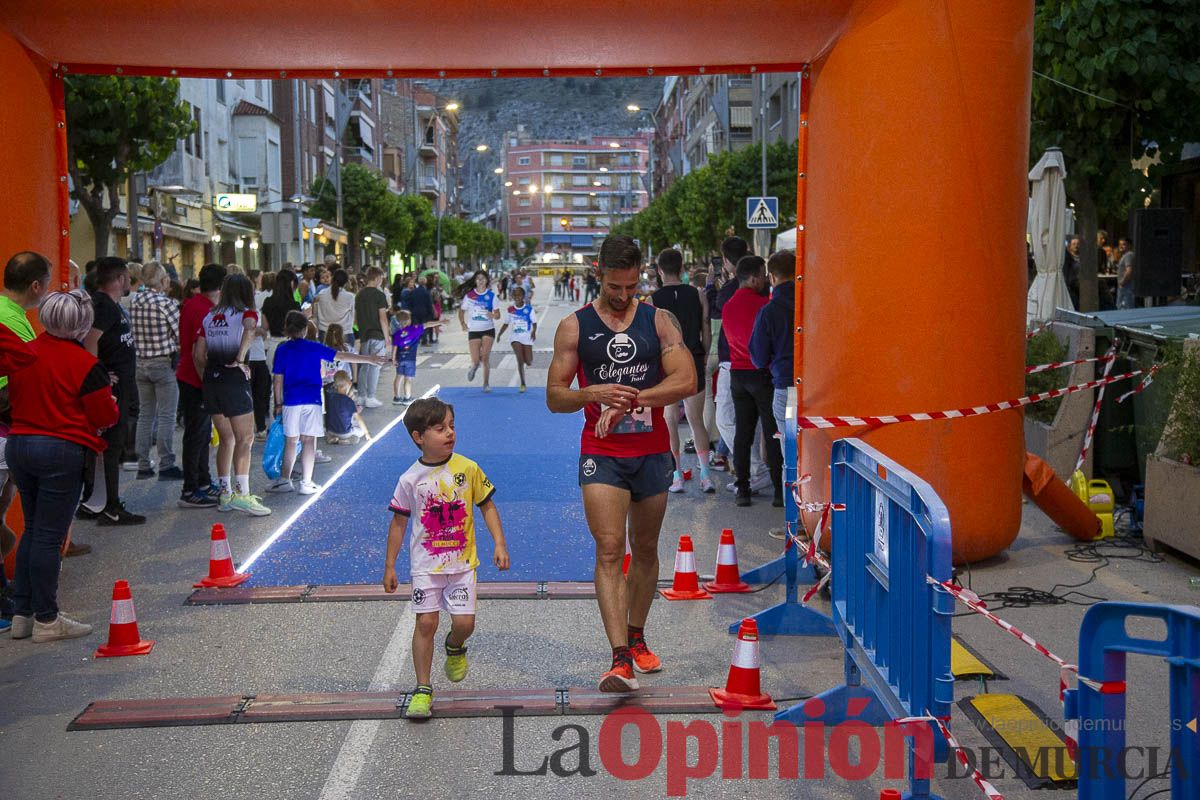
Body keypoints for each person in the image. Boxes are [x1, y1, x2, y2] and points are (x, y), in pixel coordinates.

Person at [546, 235, 695, 692]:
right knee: (611, 549)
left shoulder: (660, 320)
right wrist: (593, 393)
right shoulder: (574, 327)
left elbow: (686, 379)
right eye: (615, 286)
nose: (624, 295)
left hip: (651, 451)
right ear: (598, 273)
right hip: (603, 452)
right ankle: (618, 660)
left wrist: (632, 398)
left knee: (645, 549)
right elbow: (555, 397)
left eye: (632, 287)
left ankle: (637, 637)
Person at [382, 396, 510, 719]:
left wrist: (499, 543)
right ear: (418, 438)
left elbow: (487, 505)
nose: (450, 433)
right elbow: (398, 523)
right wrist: (390, 565)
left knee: (465, 624)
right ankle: (423, 688)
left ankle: (455, 645)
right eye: (440, 429)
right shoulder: (410, 479)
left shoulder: (467, 469)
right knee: (426, 622)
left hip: (462, 566)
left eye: (452, 426)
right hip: (426, 566)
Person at [6, 289, 119, 642]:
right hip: (60, 449)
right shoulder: (85, 365)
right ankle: (47, 618)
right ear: (82, 324)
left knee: (34, 528)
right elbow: (104, 415)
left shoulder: (26, 352)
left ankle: (22, 613)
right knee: (48, 536)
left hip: (20, 444)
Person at [269, 311, 386, 494]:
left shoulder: (282, 349)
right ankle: (306, 483)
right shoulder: (314, 347)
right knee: (309, 440)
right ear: (305, 328)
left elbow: (278, 379)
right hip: (313, 399)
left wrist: (278, 404)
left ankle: (285, 480)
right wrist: (369, 359)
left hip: (290, 401)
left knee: (291, 441)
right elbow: (342, 356)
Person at [193, 273, 271, 516]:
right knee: (245, 439)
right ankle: (243, 494)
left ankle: (226, 494)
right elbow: (249, 329)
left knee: (226, 440)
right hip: (234, 380)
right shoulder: (248, 312)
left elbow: (198, 355)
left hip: (211, 381)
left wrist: (207, 378)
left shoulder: (210, 316)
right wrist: (240, 358)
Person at [80, 257, 144, 525]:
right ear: (119, 279)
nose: (129, 281)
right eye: (127, 277)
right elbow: (88, 342)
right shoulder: (103, 306)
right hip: (112, 387)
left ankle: (97, 502)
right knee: (110, 445)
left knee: (111, 445)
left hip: (122, 383)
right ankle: (110, 506)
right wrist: (101, 375)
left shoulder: (110, 306)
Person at [650, 248, 714, 493]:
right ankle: (706, 476)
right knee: (697, 420)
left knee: (670, 421)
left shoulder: (653, 301)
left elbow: (652, 339)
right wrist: (705, 353)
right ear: (682, 269)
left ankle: (676, 475)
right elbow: (705, 328)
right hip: (694, 359)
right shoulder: (698, 295)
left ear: (659, 270)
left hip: (667, 365)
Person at [723, 255, 783, 508]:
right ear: (754, 277)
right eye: (762, 275)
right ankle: (779, 492)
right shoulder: (763, 305)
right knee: (772, 433)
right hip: (761, 373)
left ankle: (743, 489)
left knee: (742, 435)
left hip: (737, 375)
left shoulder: (727, 306)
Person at [175, 263, 225, 509]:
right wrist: (207, 383)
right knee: (196, 434)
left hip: (188, 374)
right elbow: (198, 352)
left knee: (202, 433)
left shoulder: (192, 304)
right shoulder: (206, 310)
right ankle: (190, 488)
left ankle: (203, 482)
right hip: (196, 377)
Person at [130, 261, 183, 480]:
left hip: (140, 363)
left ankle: (143, 464)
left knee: (145, 415)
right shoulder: (166, 303)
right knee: (166, 416)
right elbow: (180, 333)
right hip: (162, 363)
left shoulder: (134, 301)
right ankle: (166, 463)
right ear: (162, 280)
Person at [749, 250, 797, 446]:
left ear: (772, 277)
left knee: (791, 448)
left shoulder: (769, 312)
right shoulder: (812, 304)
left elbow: (758, 358)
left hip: (787, 389)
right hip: (817, 388)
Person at [456, 271, 501, 392]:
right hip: (474, 330)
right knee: (476, 360)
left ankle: (486, 384)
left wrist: (493, 315)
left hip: (488, 329)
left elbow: (498, 315)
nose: (480, 281)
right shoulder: (469, 296)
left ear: (487, 280)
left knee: (485, 357)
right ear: (475, 281)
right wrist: (463, 324)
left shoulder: (492, 296)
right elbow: (461, 311)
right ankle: (475, 366)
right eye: (478, 279)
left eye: (483, 278)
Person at [354, 266, 390, 408]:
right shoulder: (379, 295)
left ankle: (361, 396)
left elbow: (356, 318)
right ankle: (371, 396)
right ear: (377, 278)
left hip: (364, 334)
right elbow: (383, 318)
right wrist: (387, 338)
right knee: (375, 365)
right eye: (381, 278)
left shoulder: (359, 294)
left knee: (364, 365)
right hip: (377, 334)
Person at [390, 310, 444, 404]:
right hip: (410, 360)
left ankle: (397, 398)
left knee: (398, 377)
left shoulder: (397, 334)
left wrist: (393, 359)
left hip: (400, 359)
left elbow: (394, 347)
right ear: (408, 321)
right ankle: (407, 398)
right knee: (408, 379)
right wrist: (440, 322)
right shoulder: (414, 329)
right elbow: (427, 324)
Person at [497, 285, 537, 392]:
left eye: (519, 295)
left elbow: (534, 323)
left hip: (527, 338)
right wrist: (499, 334)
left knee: (528, 362)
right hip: (515, 338)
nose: (517, 297)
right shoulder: (510, 310)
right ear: (513, 297)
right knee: (520, 360)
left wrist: (534, 332)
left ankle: (526, 360)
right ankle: (523, 383)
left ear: (523, 296)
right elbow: (506, 324)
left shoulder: (528, 310)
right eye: (515, 295)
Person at [325, 370, 369, 445]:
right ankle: (344, 440)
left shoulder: (330, 397)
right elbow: (359, 420)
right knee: (360, 431)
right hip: (345, 432)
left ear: (334, 385)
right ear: (350, 384)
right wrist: (367, 433)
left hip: (330, 430)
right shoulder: (349, 401)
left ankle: (332, 438)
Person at [314, 268, 355, 342]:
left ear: (332, 279)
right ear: (346, 282)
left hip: (324, 333)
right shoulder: (350, 296)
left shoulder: (321, 294)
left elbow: (315, 314)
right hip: (345, 333)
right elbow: (353, 315)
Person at [1116, 237, 1136, 309]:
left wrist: (1122, 282)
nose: (1121, 246)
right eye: (1120, 244)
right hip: (1125, 286)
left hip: (1126, 287)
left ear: (1129, 246)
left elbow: (1129, 271)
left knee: (1124, 308)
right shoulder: (1125, 255)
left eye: (1124, 244)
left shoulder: (1128, 255)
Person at [1063, 236, 1081, 309]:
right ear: (1069, 245)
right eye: (1074, 244)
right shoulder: (1067, 258)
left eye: (1078, 244)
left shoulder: (1082, 257)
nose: (1076, 246)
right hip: (1072, 286)